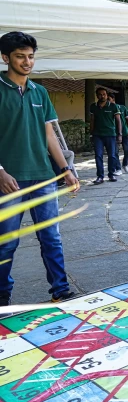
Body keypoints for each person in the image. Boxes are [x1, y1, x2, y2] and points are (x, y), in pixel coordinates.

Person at [0, 31, 81, 305]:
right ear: (5, 57)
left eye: (31, 56)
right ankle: (2, 295)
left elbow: (49, 135)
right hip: (8, 180)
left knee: (51, 238)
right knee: (7, 242)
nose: (27, 62)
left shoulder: (41, 92)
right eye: (20, 56)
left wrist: (65, 169)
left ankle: (61, 290)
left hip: (43, 177)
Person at [89, 86, 122, 184]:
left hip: (110, 134)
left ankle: (111, 174)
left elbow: (118, 121)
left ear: (107, 95)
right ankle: (100, 176)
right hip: (97, 135)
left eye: (104, 94)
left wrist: (119, 134)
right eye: (100, 94)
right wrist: (91, 134)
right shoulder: (93, 106)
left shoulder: (113, 106)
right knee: (98, 156)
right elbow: (92, 120)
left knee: (112, 155)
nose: (102, 96)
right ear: (97, 96)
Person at [108, 93, 128, 174]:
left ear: (113, 99)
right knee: (115, 152)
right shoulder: (107, 109)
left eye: (109, 99)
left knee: (127, 150)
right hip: (113, 133)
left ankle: (125, 164)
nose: (107, 101)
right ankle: (118, 168)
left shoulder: (122, 107)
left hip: (125, 132)